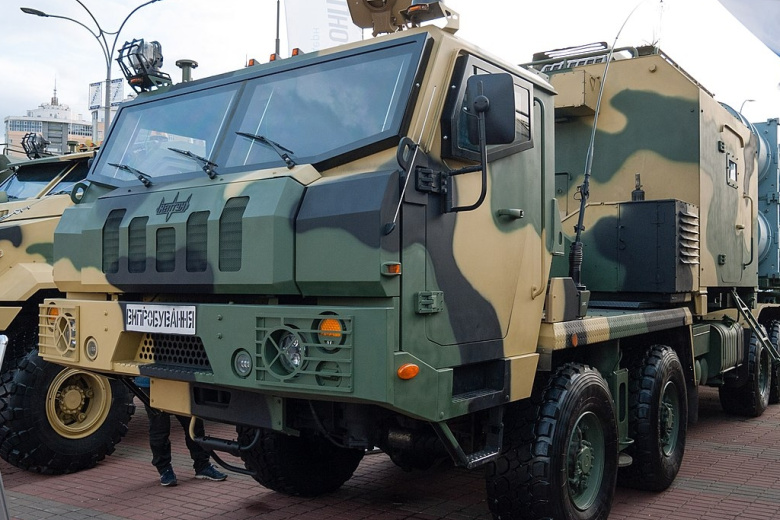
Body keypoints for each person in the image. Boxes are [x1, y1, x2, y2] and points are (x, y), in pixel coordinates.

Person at [136, 377, 227, 486]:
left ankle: (201, 465)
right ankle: (165, 469)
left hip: (178, 380)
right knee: (160, 427)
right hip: (153, 381)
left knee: (193, 424)